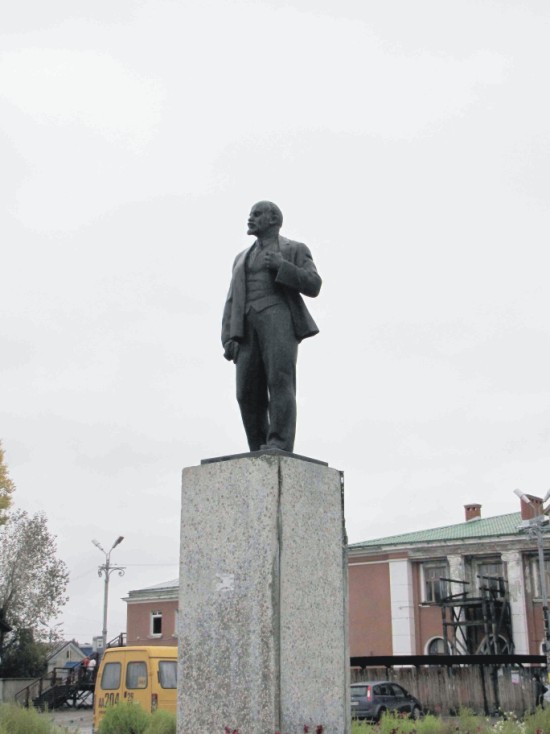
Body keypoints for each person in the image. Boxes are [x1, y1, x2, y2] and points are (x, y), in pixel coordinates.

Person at [222, 201, 321, 452]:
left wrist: (282, 266)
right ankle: (258, 446)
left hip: (279, 318)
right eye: (250, 215)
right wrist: (228, 336)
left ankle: (279, 443)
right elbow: (232, 299)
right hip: (246, 326)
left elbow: (314, 284)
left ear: (273, 219)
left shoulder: (294, 249)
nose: (250, 219)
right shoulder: (240, 259)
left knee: (279, 380)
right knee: (245, 391)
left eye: (257, 214)